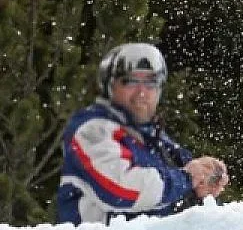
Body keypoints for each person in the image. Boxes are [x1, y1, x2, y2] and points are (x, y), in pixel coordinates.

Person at [57, 43, 229, 225]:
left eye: (150, 83)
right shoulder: (92, 130)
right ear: (110, 86)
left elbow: (170, 194)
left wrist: (200, 189)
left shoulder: (153, 137)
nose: (141, 93)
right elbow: (120, 190)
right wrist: (187, 178)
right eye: (130, 81)